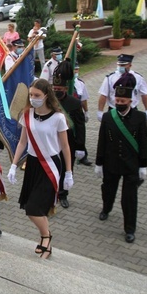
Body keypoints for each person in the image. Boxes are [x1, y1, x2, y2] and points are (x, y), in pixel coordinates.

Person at [7, 78, 73, 259]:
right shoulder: (26, 114)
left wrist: (68, 172)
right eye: (31, 95)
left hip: (50, 165)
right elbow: (22, 142)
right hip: (33, 165)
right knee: (32, 206)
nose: (33, 98)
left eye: (37, 95)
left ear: (46, 95)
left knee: (33, 208)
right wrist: (13, 165)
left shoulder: (58, 118)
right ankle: (46, 239)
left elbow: (66, 147)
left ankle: (46, 236)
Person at [95, 81, 147, 243]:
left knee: (129, 199)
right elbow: (102, 141)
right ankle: (107, 208)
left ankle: (129, 229)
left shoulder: (140, 117)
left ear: (130, 101)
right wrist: (99, 163)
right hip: (111, 163)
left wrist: (143, 166)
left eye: (122, 102)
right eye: (117, 101)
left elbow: (143, 142)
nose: (119, 104)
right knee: (108, 190)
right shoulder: (108, 117)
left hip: (131, 165)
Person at [52, 61, 86, 209]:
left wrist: (80, 146)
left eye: (59, 89)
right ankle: (51, 193)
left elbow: (80, 125)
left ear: (66, 88)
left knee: (67, 168)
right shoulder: (47, 102)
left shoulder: (75, 103)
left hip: (69, 142)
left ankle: (63, 194)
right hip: (51, 142)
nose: (57, 91)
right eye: (54, 88)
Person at [97, 54, 147, 121]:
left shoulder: (138, 77)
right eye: (119, 65)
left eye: (123, 65)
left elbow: (145, 94)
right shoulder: (110, 78)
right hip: (114, 110)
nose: (120, 67)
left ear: (130, 65)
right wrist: (100, 111)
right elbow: (103, 95)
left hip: (132, 110)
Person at [73, 63, 93, 166]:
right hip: (67, 113)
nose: (76, 72)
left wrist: (86, 111)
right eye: (74, 70)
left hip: (78, 112)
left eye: (77, 70)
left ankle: (82, 156)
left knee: (81, 134)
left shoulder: (80, 83)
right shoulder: (65, 83)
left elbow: (84, 99)